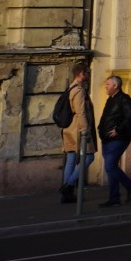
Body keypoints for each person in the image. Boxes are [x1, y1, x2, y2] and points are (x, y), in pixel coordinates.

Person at [96, 74, 131, 206]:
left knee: (110, 166)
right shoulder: (111, 99)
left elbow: (130, 117)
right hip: (107, 139)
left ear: (115, 86)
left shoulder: (124, 99)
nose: (106, 87)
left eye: (108, 84)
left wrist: (118, 130)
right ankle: (114, 198)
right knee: (111, 168)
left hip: (119, 138)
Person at [58, 61, 91, 204]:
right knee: (89, 157)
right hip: (77, 130)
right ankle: (69, 185)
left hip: (68, 128)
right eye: (87, 73)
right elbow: (81, 112)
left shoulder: (70, 88)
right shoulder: (79, 90)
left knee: (71, 159)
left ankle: (67, 196)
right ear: (81, 74)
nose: (89, 75)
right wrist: (85, 130)